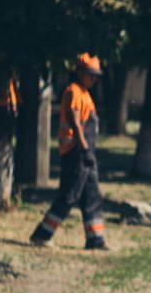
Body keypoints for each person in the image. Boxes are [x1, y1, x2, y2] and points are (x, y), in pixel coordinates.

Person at [30, 53, 108, 250]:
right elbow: (75, 122)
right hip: (76, 153)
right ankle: (42, 234)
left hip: (85, 154)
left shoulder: (85, 93)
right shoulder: (73, 91)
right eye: (90, 74)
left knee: (91, 195)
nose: (93, 78)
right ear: (80, 72)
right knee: (69, 195)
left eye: (95, 75)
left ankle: (95, 239)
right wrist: (84, 148)